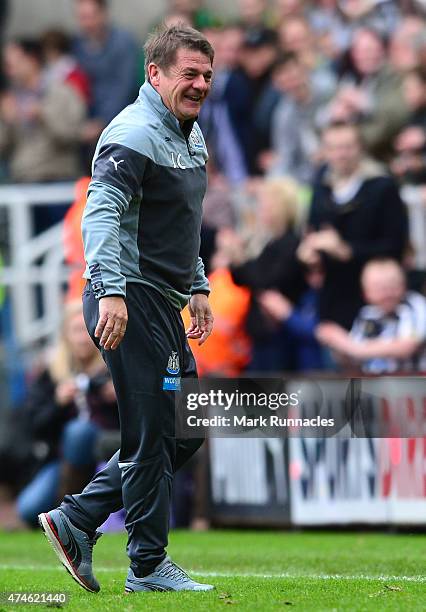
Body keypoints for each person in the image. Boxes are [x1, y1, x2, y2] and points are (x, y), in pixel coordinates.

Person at [38, 24, 215, 594]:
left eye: (208, 75)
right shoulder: (132, 132)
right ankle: (146, 565)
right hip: (129, 295)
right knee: (151, 432)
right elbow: (100, 215)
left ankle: (77, 519)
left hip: (163, 301)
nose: (200, 84)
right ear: (154, 73)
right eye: (189, 73)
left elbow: (180, 226)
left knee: (184, 429)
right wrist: (109, 289)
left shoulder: (191, 136)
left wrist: (199, 285)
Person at [298, 121, 408, 330]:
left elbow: (396, 246)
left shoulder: (381, 186)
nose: (341, 154)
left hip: (374, 299)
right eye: (333, 148)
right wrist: (309, 255)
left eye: (347, 147)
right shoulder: (321, 185)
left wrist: (347, 251)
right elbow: (311, 231)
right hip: (332, 299)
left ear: (360, 148)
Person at [317, 258, 426, 373]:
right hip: (374, 385)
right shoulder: (367, 314)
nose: (387, 293)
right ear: (366, 293)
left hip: (413, 385)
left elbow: (407, 346)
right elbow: (356, 358)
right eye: (379, 287)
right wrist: (337, 346)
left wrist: (349, 345)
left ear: (404, 286)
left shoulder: (414, 305)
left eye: (392, 285)